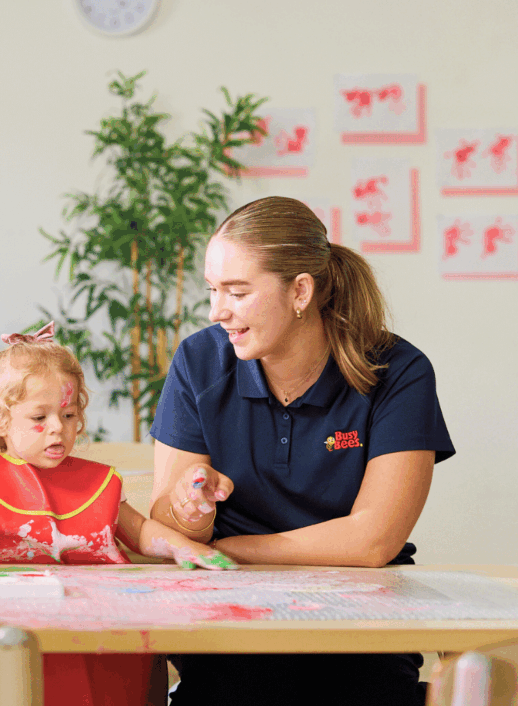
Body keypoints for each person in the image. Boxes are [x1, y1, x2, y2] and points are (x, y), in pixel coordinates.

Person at [149, 196, 455, 706]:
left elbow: (373, 541)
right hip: (231, 627)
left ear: (300, 291)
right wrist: (190, 512)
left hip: (360, 629)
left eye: (237, 292)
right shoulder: (199, 361)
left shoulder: (398, 371)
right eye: (213, 290)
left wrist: (232, 550)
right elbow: (169, 517)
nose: (215, 310)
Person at [0, 322, 235, 706]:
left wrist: (181, 547)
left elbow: (139, 532)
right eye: (39, 418)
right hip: (4, 632)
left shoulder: (97, 482)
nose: (57, 429)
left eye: (69, 415)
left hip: (96, 636)